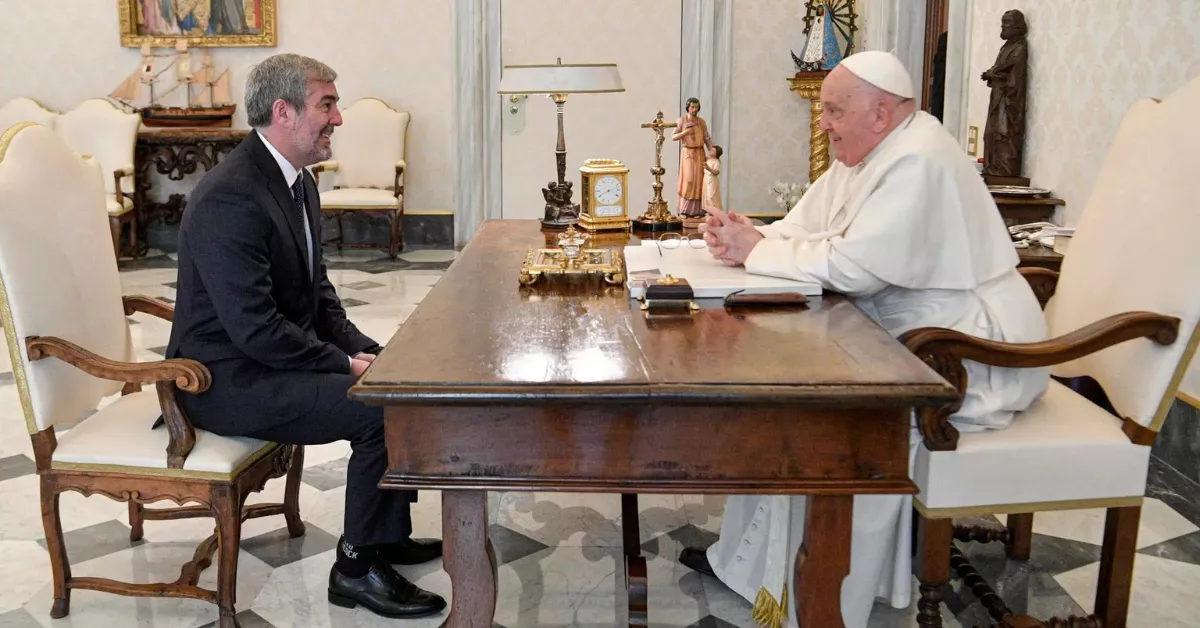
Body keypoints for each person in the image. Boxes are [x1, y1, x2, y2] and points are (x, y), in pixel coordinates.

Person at [683, 50, 1050, 628]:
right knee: (782, 394)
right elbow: (803, 229)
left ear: (881, 113)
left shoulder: (919, 160)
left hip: (965, 352)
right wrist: (751, 236)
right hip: (907, 337)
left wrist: (761, 251)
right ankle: (752, 568)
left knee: (845, 417)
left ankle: (836, 593)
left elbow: (859, 269)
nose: (823, 122)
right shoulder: (864, 153)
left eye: (834, 110)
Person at [165, 53, 446, 619]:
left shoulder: (297, 183)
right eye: (328, 104)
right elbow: (256, 329)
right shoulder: (231, 195)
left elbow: (319, 302)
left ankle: (384, 537)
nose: (338, 118)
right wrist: (345, 368)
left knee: (393, 382)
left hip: (264, 358)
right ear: (284, 111)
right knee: (376, 412)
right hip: (224, 379)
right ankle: (355, 568)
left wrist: (371, 351)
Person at [672, 97, 714, 223]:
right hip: (688, 152)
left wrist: (712, 151)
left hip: (699, 152)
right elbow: (673, 136)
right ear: (688, 107)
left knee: (699, 180)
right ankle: (684, 210)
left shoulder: (701, 122)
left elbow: (707, 138)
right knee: (689, 180)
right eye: (692, 107)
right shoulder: (681, 120)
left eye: (696, 107)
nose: (694, 109)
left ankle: (698, 211)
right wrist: (685, 132)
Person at [703, 145, 723, 213]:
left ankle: (715, 213)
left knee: (711, 196)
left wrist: (709, 169)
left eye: (713, 150)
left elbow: (716, 172)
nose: (710, 151)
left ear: (716, 153)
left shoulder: (716, 161)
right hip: (706, 178)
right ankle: (709, 212)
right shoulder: (709, 159)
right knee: (706, 197)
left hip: (712, 179)